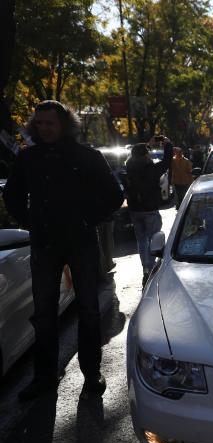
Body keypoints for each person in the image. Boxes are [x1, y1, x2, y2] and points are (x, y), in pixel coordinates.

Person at [2, 100, 123, 401]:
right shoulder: (29, 158)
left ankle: (91, 373)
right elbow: (12, 194)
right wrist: (30, 221)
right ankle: (45, 376)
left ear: (64, 124)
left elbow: (114, 194)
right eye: (40, 123)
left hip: (80, 241)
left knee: (89, 310)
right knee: (43, 313)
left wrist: (87, 218)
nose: (44, 128)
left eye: (50, 123)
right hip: (43, 245)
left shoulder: (87, 156)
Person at [125, 136, 173, 286]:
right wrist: (168, 145)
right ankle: (151, 268)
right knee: (153, 239)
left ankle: (145, 268)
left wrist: (147, 144)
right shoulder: (151, 169)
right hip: (150, 209)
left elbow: (136, 153)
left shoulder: (129, 167)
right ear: (146, 155)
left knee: (141, 240)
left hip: (135, 210)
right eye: (148, 152)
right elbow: (166, 162)